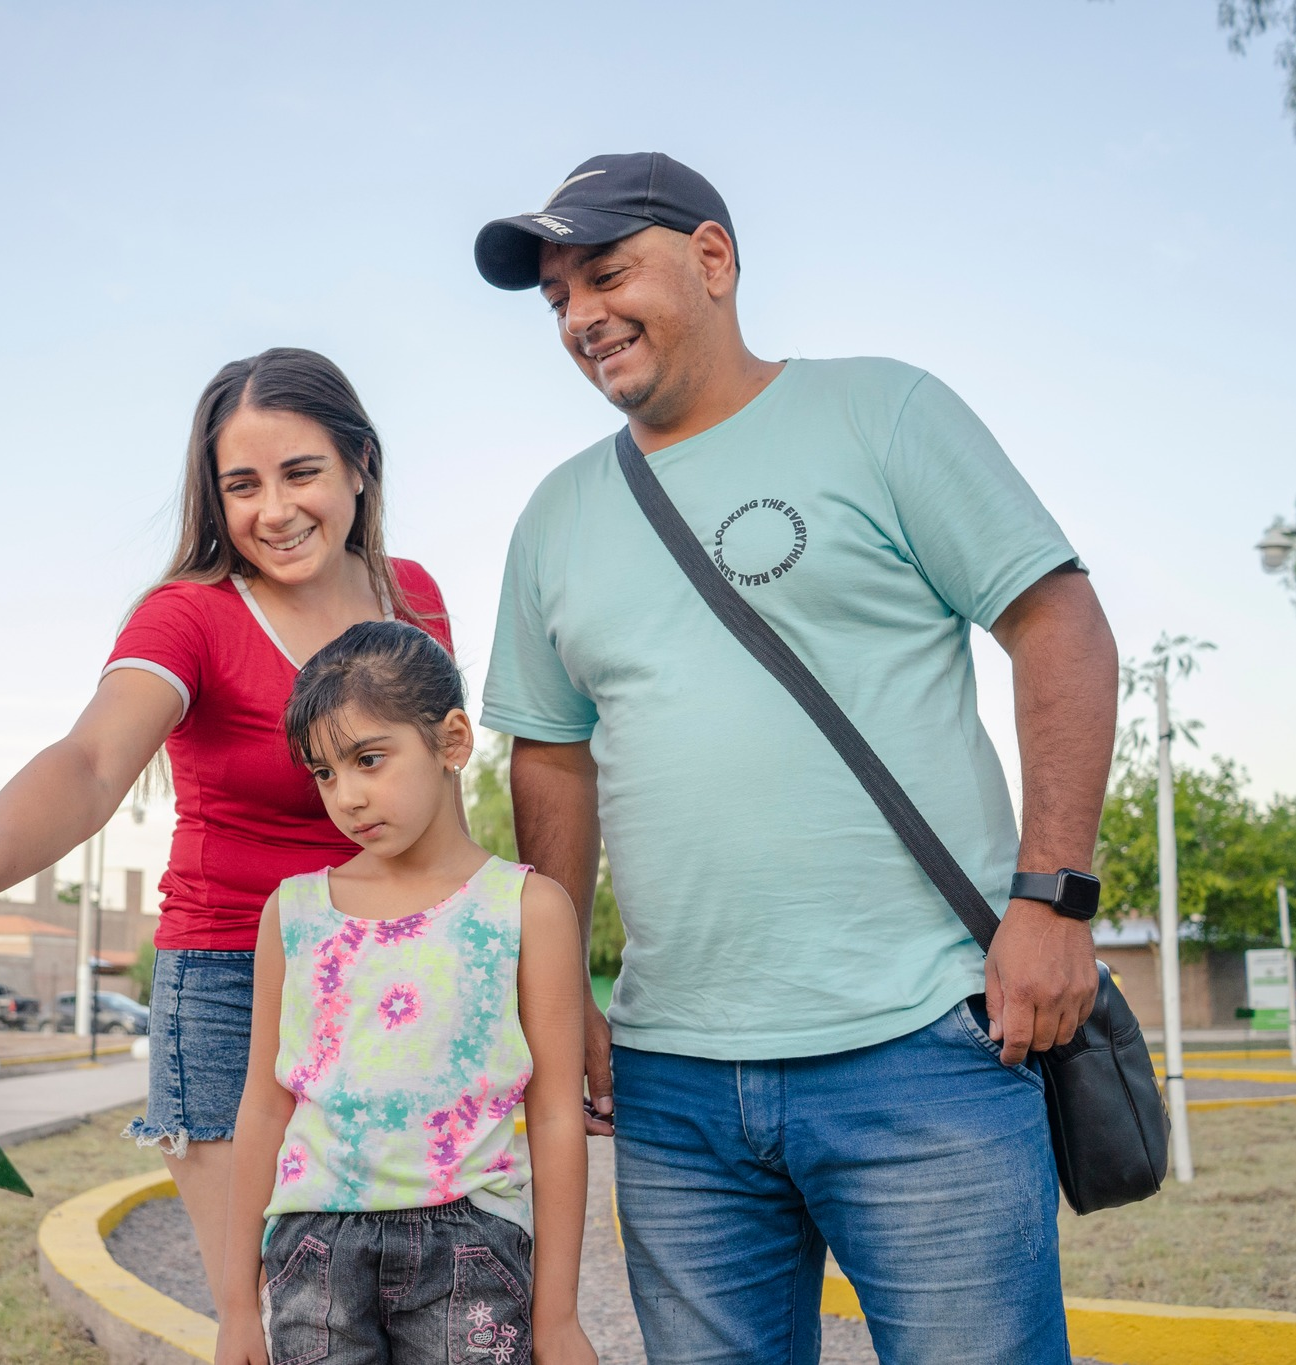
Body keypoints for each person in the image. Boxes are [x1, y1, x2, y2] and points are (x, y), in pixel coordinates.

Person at [471, 153, 1119, 1364]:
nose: (578, 317)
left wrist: (1051, 900)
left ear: (711, 259)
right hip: (673, 1085)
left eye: (605, 274)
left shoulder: (880, 412)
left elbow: (1058, 627)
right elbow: (551, 758)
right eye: (557, 297)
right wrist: (562, 997)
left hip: (925, 1040)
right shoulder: (555, 515)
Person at [0, 348, 456, 1309]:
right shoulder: (189, 616)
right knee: (278, 1315)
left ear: (360, 464)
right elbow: (91, 763)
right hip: (229, 983)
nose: (274, 510)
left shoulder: (413, 599)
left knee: (408, 1301)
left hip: (395, 975)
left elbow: (436, 797)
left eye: (301, 472)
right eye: (242, 485)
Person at [215, 621, 596, 1365]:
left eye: (368, 759)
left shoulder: (527, 908)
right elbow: (263, 1104)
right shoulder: (294, 912)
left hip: (471, 1246)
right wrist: (235, 1304)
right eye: (325, 773)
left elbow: (555, 1116)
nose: (348, 796)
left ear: (452, 740)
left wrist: (558, 1317)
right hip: (314, 1252)